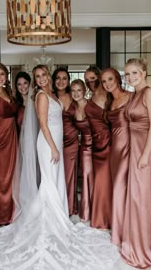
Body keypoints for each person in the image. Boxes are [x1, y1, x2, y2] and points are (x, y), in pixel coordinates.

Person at [0, 64, 119, 270]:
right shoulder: (41, 96)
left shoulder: (54, 95)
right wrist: (53, 148)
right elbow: (43, 124)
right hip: (48, 144)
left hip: (57, 143)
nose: (41, 79)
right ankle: (46, 221)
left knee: (55, 180)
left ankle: (57, 214)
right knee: (49, 181)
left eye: (43, 75)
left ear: (48, 77)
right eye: (37, 76)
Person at [121, 58, 151, 269]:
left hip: (146, 150)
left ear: (144, 73)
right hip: (134, 149)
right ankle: (136, 243)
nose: (131, 77)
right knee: (136, 196)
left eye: (135, 73)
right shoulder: (134, 95)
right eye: (128, 74)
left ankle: (148, 248)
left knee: (144, 198)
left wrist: (145, 155)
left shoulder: (150, 93)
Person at [101, 68, 131, 246]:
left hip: (129, 148)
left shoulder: (131, 97)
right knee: (118, 187)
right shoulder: (109, 101)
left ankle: (123, 233)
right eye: (104, 81)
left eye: (110, 79)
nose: (107, 84)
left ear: (117, 79)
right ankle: (119, 229)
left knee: (122, 188)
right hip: (115, 150)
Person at [0, 62, 18, 226]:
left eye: (2, 74)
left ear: (6, 76)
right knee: (0, 177)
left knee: (13, 175)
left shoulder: (8, 91)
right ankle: (0, 215)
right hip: (0, 139)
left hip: (12, 137)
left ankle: (12, 212)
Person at [84, 65, 112, 229]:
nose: (90, 83)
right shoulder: (90, 97)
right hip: (95, 145)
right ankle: (101, 216)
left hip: (108, 143)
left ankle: (106, 218)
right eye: (87, 81)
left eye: (93, 79)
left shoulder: (109, 96)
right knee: (99, 181)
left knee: (106, 180)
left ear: (99, 78)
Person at [52, 67, 79, 216]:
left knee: (68, 174)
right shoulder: (50, 97)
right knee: (55, 174)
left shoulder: (73, 96)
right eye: (58, 78)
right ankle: (55, 207)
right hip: (55, 141)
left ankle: (68, 208)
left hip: (72, 141)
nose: (61, 81)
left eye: (64, 78)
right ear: (54, 81)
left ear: (68, 81)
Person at [70, 79, 93, 223]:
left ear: (84, 91)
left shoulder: (92, 105)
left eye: (79, 90)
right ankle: (86, 211)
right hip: (84, 146)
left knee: (97, 178)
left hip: (99, 145)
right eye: (73, 90)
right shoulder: (72, 109)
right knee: (85, 176)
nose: (76, 93)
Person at [14, 71, 31, 137]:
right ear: (16, 86)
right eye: (19, 84)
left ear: (29, 84)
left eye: (25, 83)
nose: (23, 87)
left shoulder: (37, 102)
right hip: (19, 140)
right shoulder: (14, 104)